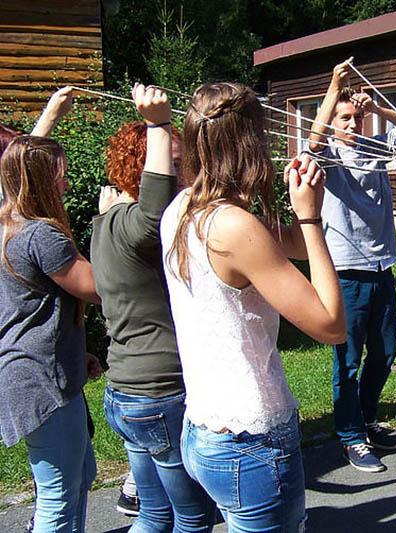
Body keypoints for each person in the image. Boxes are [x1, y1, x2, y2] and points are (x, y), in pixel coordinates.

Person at [160, 81, 345, 532]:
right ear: (249, 143)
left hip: (205, 430)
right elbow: (331, 324)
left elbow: (294, 249)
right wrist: (311, 216)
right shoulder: (234, 227)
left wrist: (302, 203)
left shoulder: (183, 208)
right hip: (251, 441)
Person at [92, 85, 215, 532]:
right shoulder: (135, 226)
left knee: (155, 512)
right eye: (178, 165)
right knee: (192, 518)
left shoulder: (106, 219)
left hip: (127, 391)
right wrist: (158, 125)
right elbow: (155, 209)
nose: (185, 175)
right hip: (157, 393)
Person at [307, 60, 396, 473]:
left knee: (386, 353)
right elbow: (312, 144)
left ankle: (366, 418)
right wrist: (332, 88)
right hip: (345, 272)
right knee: (348, 361)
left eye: (356, 118)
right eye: (345, 118)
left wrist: (376, 110)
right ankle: (352, 437)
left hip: (381, 268)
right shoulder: (330, 157)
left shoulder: (375, 147)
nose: (352, 125)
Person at [0, 131, 102, 532]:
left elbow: (27, 309)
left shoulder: (7, 225)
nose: (66, 183)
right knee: (58, 496)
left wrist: (78, 354)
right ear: (39, 179)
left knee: (79, 477)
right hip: (42, 381)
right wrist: (111, 223)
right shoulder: (39, 234)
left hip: (30, 370)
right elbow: (97, 288)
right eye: (59, 175)